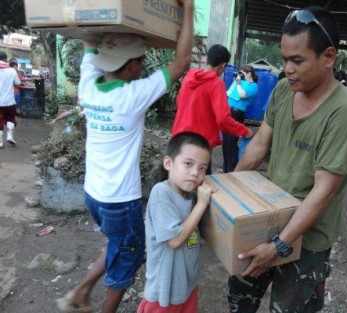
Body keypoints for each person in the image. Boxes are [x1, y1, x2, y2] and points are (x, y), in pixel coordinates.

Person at [55, 1, 194, 312]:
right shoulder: (133, 96)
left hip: (93, 195)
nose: (143, 68)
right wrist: (188, 7)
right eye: (141, 62)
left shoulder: (88, 85)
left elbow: (89, 41)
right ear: (133, 65)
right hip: (119, 200)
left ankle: (80, 292)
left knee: (117, 243)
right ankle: (88, 297)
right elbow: (183, 60)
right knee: (130, 256)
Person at [227, 7, 347, 312]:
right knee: (240, 300)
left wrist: (279, 245)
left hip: (307, 239)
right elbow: (259, 145)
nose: (287, 69)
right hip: (267, 216)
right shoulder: (282, 91)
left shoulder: (345, 114)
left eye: (297, 60)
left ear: (329, 57)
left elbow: (323, 190)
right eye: (284, 60)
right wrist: (227, 194)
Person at [138, 132, 214, 313]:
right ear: (168, 163)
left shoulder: (191, 195)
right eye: (188, 164)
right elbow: (175, 240)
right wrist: (202, 204)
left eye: (203, 168)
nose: (195, 173)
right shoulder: (161, 193)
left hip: (187, 284)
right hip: (165, 291)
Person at [171, 44, 253, 174]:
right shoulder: (216, 84)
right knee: (199, 186)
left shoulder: (189, 77)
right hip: (200, 146)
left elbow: (179, 101)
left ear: (207, 59)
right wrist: (244, 131)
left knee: (179, 182)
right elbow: (222, 119)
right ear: (223, 66)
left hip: (179, 141)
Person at [222, 65, 258, 172]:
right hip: (228, 111)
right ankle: (226, 168)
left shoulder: (253, 86)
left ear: (249, 73)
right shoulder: (239, 82)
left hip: (237, 113)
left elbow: (243, 95)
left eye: (242, 73)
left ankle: (233, 169)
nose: (240, 75)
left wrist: (237, 83)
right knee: (226, 142)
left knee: (232, 141)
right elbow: (227, 93)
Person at [0, 51, 21, 148]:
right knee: (10, 118)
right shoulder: (12, 70)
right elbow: (18, 83)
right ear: (5, 59)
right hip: (9, 101)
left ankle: (0, 142)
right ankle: (9, 136)